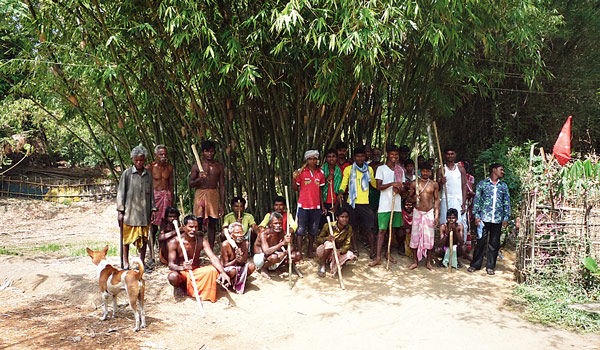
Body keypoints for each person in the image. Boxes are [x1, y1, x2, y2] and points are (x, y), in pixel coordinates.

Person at [166, 215, 231, 301]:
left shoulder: (201, 240)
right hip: (181, 272)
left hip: (196, 271)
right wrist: (183, 267)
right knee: (173, 277)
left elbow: (213, 257)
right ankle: (181, 286)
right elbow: (171, 265)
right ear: (183, 227)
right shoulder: (174, 242)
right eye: (190, 227)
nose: (193, 229)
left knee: (213, 270)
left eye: (196, 227)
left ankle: (195, 288)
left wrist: (223, 272)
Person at [117, 145, 157, 270]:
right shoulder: (127, 174)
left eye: (141, 160)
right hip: (130, 213)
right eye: (136, 160)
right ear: (133, 160)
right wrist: (120, 211)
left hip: (144, 213)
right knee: (126, 239)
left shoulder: (148, 175)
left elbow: (151, 194)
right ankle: (126, 263)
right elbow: (121, 192)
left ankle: (141, 262)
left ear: (144, 160)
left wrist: (153, 209)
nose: (139, 163)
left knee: (144, 239)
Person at [468, 163, 511, 275]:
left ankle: (490, 267)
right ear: (494, 170)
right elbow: (476, 201)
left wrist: (506, 217)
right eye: (501, 170)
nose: (502, 172)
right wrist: (476, 216)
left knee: (494, 244)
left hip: (497, 219)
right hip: (484, 219)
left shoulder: (503, 186)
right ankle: (475, 264)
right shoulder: (483, 184)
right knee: (481, 242)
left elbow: (506, 203)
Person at [338, 146, 377, 258]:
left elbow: (374, 183)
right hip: (352, 202)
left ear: (365, 157)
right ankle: (355, 249)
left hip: (365, 202)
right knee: (353, 227)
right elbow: (344, 183)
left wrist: (384, 186)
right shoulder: (348, 169)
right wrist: (340, 192)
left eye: (362, 156)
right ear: (354, 157)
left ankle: (372, 251)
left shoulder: (369, 169)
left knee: (369, 228)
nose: (360, 158)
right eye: (358, 156)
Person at [369, 146, 404, 267]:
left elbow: (403, 186)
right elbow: (378, 186)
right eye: (392, 154)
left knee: (392, 231)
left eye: (396, 155)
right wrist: (391, 184)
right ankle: (378, 257)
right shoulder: (381, 169)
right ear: (387, 155)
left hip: (396, 204)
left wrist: (399, 188)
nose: (394, 157)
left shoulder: (400, 170)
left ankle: (388, 254)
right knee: (382, 231)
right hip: (384, 204)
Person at [189, 140, 225, 249]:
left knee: (212, 223)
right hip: (200, 194)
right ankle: (197, 248)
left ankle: (210, 248)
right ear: (202, 152)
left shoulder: (218, 166)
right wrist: (200, 179)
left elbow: (222, 185)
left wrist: (222, 205)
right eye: (207, 152)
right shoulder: (197, 166)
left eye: (211, 151)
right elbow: (190, 184)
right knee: (198, 223)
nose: (209, 154)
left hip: (213, 194)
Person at [293, 150, 326, 261]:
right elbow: (295, 188)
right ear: (306, 160)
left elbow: (320, 190)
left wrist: (322, 206)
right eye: (310, 159)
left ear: (317, 160)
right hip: (303, 206)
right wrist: (294, 178)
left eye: (315, 159)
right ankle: (299, 254)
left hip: (316, 206)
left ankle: (309, 251)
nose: (313, 161)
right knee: (300, 230)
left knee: (313, 230)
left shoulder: (321, 173)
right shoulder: (301, 172)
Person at [407, 163, 439, 271]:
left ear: (430, 172)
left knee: (429, 238)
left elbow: (436, 200)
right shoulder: (414, 184)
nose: (425, 173)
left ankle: (428, 262)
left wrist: (437, 215)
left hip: (429, 213)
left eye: (427, 171)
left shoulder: (434, 184)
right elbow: (408, 199)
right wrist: (413, 197)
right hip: (417, 212)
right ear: (420, 171)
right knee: (415, 237)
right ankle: (415, 262)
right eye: (423, 171)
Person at [147, 145, 174, 265]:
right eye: (161, 155)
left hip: (166, 197)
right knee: (153, 226)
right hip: (155, 198)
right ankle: (151, 254)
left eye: (165, 154)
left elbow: (171, 184)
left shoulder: (169, 167)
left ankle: (163, 255)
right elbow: (146, 185)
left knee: (165, 226)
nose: (164, 157)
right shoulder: (151, 168)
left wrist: (172, 198)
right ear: (156, 156)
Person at [253, 212, 301, 279]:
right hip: (261, 258)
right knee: (274, 257)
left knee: (297, 255)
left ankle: (275, 267)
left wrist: (284, 253)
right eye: (275, 223)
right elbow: (266, 251)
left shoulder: (281, 232)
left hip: (274, 254)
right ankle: (264, 268)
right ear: (270, 224)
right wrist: (282, 243)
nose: (278, 225)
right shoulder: (264, 234)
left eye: (280, 223)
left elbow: (291, 246)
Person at [315, 208, 356, 277]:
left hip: (336, 251)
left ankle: (332, 261)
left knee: (350, 255)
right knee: (329, 244)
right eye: (342, 217)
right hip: (323, 250)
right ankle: (323, 265)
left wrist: (341, 251)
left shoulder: (349, 228)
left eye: (346, 217)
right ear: (337, 218)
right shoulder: (328, 225)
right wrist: (326, 238)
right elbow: (318, 239)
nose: (345, 219)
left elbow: (347, 244)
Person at [436, 147, 468, 234]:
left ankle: (460, 245)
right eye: (448, 154)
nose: (450, 156)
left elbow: (464, 186)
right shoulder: (441, 170)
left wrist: (464, 203)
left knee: (460, 223)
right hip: (446, 198)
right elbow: (438, 188)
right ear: (445, 155)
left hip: (458, 199)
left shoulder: (460, 169)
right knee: (445, 222)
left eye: (452, 154)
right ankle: (446, 245)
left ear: (455, 155)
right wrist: (441, 182)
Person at [220, 222, 256, 294]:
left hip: (239, 267)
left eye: (241, 232)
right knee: (233, 271)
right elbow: (224, 265)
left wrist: (240, 259)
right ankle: (228, 282)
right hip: (228, 269)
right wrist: (235, 260)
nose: (239, 235)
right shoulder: (225, 245)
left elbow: (244, 262)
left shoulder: (245, 243)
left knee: (252, 266)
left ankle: (239, 281)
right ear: (231, 235)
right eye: (237, 233)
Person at [321, 149, 342, 221]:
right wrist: (327, 179)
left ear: (336, 158)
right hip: (324, 201)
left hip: (335, 201)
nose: (331, 158)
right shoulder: (321, 170)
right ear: (326, 158)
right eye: (329, 156)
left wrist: (336, 206)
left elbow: (340, 190)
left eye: (333, 156)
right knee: (324, 225)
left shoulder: (339, 171)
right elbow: (319, 187)